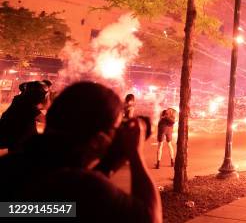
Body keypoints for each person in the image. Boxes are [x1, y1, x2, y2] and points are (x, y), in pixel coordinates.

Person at [0, 81, 162, 223]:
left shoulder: (11, 165)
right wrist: (135, 153)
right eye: (115, 129)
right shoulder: (83, 187)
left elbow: (25, 209)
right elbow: (150, 218)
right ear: (98, 140)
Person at [0, 81, 50, 152]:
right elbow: (46, 119)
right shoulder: (27, 105)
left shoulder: (20, 100)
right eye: (43, 95)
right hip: (22, 143)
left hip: (17, 141)